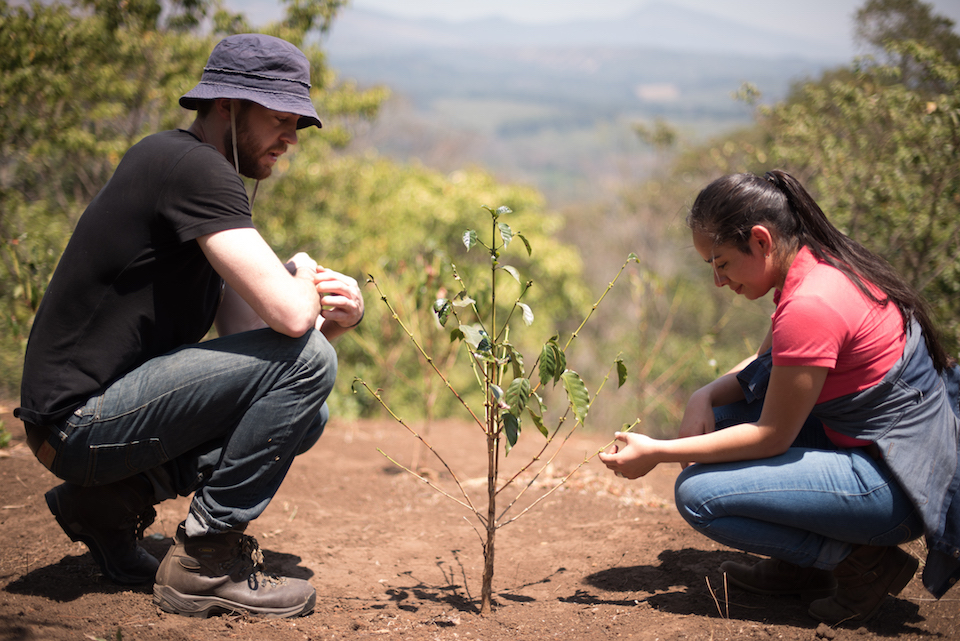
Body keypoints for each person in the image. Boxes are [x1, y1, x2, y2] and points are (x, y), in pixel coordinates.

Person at [14, 33, 364, 619]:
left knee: (309, 406)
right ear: (227, 106)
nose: (289, 138)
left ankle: (106, 505)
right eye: (280, 118)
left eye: (298, 125)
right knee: (308, 364)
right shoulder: (193, 168)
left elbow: (260, 355)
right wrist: (302, 284)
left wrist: (331, 326)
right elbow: (289, 318)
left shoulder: (190, 172)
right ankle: (205, 559)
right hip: (78, 423)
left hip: (84, 428)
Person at [600, 170, 960, 625]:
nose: (717, 280)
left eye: (722, 262)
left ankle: (862, 564)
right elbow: (768, 364)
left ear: (760, 240)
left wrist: (659, 452)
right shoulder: (816, 264)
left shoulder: (811, 304)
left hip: (900, 487)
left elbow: (771, 437)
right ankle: (803, 569)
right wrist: (704, 394)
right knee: (725, 420)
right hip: (882, 453)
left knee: (698, 494)